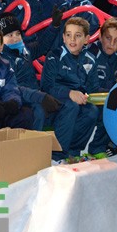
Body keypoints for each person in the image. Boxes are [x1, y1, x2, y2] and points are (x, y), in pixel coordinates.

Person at [0, 12, 62, 132]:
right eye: (9, 35)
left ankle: (60, 149)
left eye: (17, 33)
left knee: (64, 107)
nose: (15, 38)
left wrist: (54, 27)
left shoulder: (24, 50)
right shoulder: (0, 60)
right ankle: (32, 147)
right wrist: (39, 97)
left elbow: (42, 46)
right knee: (38, 111)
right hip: (17, 99)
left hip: (34, 95)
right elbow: (11, 88)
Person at [41, 17, 99, 159]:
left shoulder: (90, 59)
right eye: (68, 35)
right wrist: (69, 93)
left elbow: (93, 88)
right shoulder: (54, 56)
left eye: (78, 35)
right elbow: (46, 86)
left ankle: (73, 152)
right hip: (54, 100)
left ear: (86, 39)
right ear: (63, 37)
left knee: (92, 111)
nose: (72, 39)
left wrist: (89, 96)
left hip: (76, 100)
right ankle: (57, 155)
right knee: (71, 106)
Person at [86, 17, 117, 156]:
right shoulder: (90, 52)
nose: (112, 44)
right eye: (108, 38)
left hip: (106, 96)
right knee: (109, 108)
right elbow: (91, 87)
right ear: (101, 37)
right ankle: (96, 148)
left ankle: (115, 144)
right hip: (87, 96)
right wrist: (115, 85)